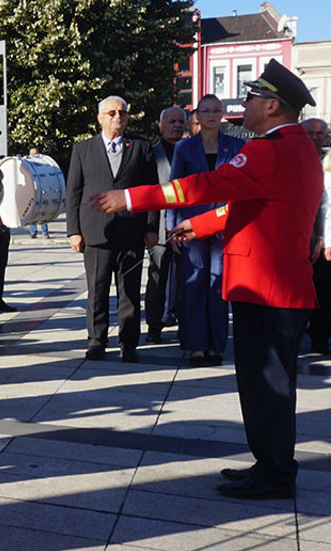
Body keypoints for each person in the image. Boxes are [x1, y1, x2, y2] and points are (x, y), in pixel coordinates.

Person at [91, 59, 320, 500]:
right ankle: (270, 463)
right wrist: (201, 226)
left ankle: (275, 475)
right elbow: (251, 205)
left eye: (253, 97)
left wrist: (131, 198)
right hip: (281, 287)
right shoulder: (298, 148)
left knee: (266, 388)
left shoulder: (266, 149)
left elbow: (205, 186)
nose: (245, 104)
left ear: (273, 106)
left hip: (266, 289)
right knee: (268, 387)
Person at [65, 95, 158, 363]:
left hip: (132, 232)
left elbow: (152, 192)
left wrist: (151, 228)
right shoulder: (83, 149)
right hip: (95, 232)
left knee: (129, 292)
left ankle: (129, 344)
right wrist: (74, 230)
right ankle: (96, 341)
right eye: (112, 113)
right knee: (97, 290)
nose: (118, 116)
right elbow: (74, 192)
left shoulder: (141, 147)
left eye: (123, 113)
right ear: (100, 118)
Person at [168, 94, 243, 366]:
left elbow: (240, 187)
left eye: (216, 110)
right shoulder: (184, 149)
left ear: (222, 114)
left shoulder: (237, 146)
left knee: (218, 283)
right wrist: (170, 225)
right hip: (190, 226)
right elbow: (174, 188)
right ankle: (196, 345)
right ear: (197, 115)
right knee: (193, 284)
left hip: (224, 224)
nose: (211, 114)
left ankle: (216, 345)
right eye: (205, 110)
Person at [145, 107, 186, 344]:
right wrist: (148, 228)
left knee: (186, 280)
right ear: (161, 125)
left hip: (186, 227)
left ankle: (185, 325)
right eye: (171, 121)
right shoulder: (151, 153)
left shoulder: (192, 150)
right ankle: (154, 326)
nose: (177, 125)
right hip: (160, 228)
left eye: (181, 121)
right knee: (157, 279)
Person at [305, 118, 331, 355]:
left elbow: (326, 206)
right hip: (299, 233)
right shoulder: (295, 159)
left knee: (323, 287)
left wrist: (324, 237)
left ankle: (319, 337)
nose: (315, 137)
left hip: (321, 234)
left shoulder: (327, 162)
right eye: (310, 133)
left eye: (320, 133)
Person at [26, 146, 50, 238]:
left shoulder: (42, 164)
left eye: (35, 154)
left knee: (42, 211)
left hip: (42, 191)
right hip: (32, 191)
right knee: (32, 213)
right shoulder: (27, 165)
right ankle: (33, 232)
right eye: (32, 154)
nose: (33, 156)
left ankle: (45, 232)